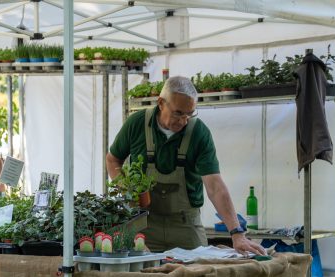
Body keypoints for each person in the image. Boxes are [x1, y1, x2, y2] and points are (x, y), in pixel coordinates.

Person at [105, 76, 265, 255]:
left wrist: (237, 234)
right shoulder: (137, 124)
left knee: (197, 276)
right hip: (144, 224)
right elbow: (112, 160)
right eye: (178, 113)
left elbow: (215, 186)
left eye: (190, 114)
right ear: (160, 103)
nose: (183, 121)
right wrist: (126, 188)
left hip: (186, 225)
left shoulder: (199, 133)